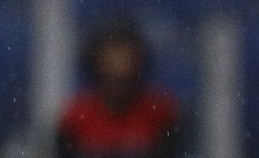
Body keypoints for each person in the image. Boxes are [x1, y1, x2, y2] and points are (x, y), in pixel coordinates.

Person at [56, 18, 185, 158]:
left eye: (125, 54)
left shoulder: (160, 113)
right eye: (111, 54)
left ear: (139, 58)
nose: (118, 63)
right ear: (96, 59)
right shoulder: (77, 117)